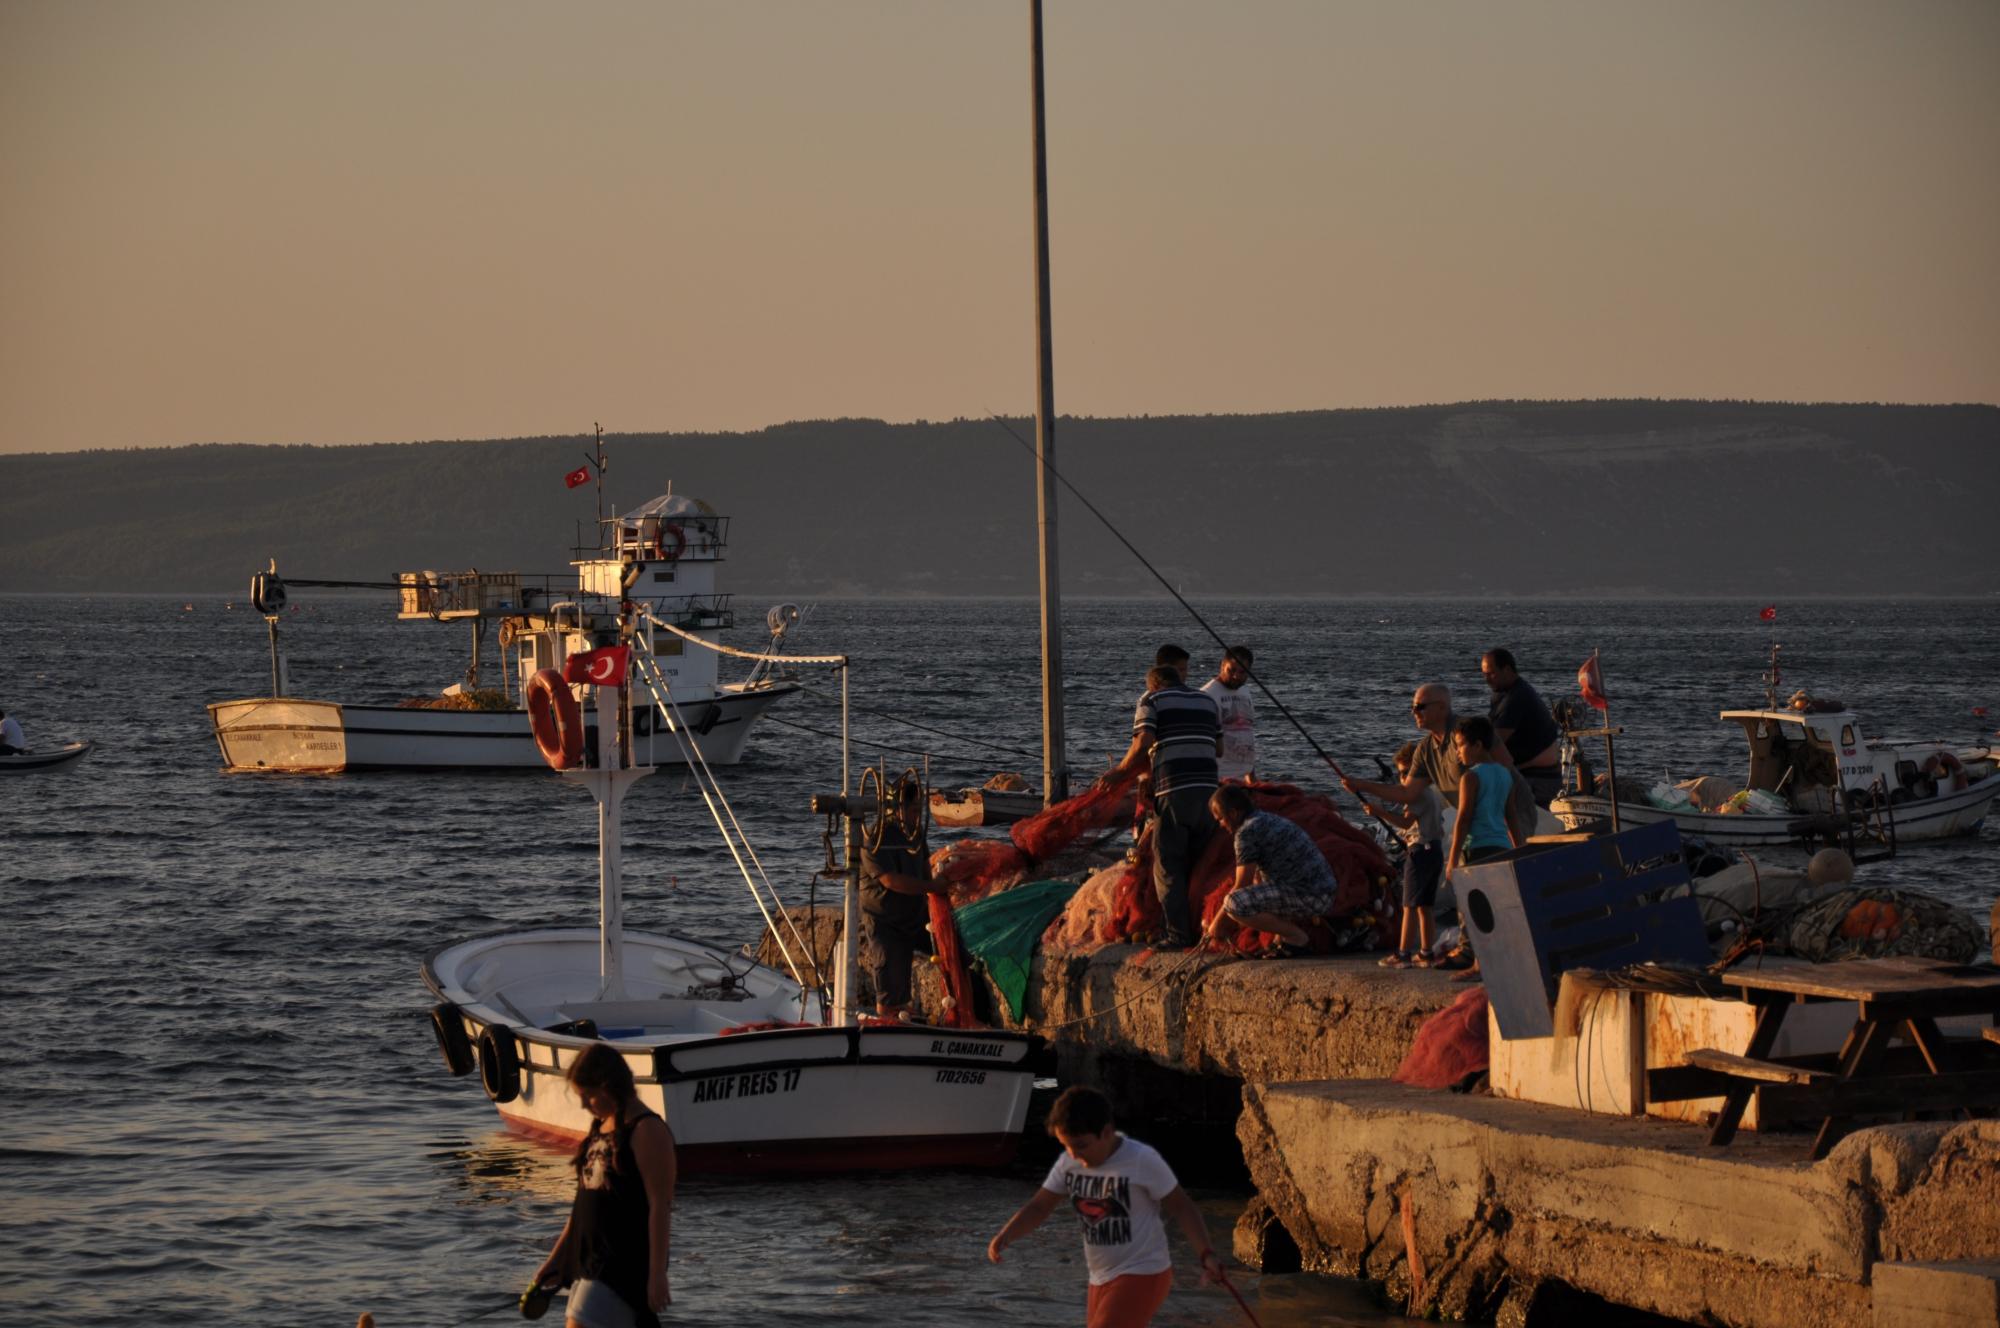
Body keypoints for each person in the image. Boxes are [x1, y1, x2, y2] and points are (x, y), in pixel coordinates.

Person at [988, 1086, 1222, 1327]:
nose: (1074, 1154)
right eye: (1066, 1146)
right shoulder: (1069, 1163)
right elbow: (1040, 1206)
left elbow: (1181, 1206)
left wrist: (1206, 1254)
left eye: (1081, 1145)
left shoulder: (1141, 1159)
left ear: (1107, 1132)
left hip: (1143, 1272)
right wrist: (1007, 1234)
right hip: (1100, 1279)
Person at [533, 1043, 676, 1328]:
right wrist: (556, 1261)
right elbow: (582, 1207)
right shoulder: (600, 1127)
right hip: (588, 1265)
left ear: (608, 1086)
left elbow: (660, 1206)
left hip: (621, 1266)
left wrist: (657, 1273)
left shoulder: (647, 1130)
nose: (585, 1106)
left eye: (588, 1097)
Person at [1101, 665, 1222, 949]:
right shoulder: (1207, 701)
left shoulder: (1151, 701)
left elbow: (1144, 740)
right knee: (1199, 863)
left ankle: (1178, 935)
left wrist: (1120, 772)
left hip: (1174, 792)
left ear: (1154, 685)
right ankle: (1200, 925)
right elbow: (1219, 749)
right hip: (1209, 792)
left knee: (1167, 865)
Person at [1205, 785, 1334, 954]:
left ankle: (1297, 938)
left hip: (1312, 895)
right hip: (1323, 891)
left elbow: (1241, 884)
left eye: (1220, 819)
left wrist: (1216, 925)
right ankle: (1281, 940)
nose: (1221, 825)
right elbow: (1258, 880)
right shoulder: (1265, 818)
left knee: (1233, 903)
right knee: (1258, 890)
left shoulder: (1246, 832)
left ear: (1234, 813)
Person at [859, 776, 948, 1019]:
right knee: (889, 981)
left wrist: (938, 891)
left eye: (919, 810)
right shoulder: (875, 838)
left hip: (913, 916)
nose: (917, 816)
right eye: (912, 810)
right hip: (885, 920)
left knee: (950, 949)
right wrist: (931, 886)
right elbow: (891, 880)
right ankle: (890, 1020)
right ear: (896, 809)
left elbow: (924, 868)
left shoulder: (916, 834)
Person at [1360, 741, 1448, 968]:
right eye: (1401, 774)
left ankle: (1403, 953)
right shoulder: (1432, 795)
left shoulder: (1418, 797)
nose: (1403, 779)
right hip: (1434, 850)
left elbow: (1404, 822)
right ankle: (1426, 952)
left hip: (1419, 852)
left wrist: (1377, 811)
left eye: (1407, 773)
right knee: (1425, 906)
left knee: (1408, 905)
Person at [1481, 648, 1563, 807]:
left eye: (1491, 674)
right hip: (1524, 774)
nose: (1487, 680)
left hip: (1536, 781)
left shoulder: (1517, 697)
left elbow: (1494, 742)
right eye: (1484, 674)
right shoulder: (1501, 692)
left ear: (1507, 670)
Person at [1446, 716, 1525, 874]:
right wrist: (1521, 851)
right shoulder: (1506, 775)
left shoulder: (1470, 777)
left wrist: (1452, 859)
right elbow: (1511, 817)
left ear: (1477, 745)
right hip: (1503, 848)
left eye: (1461, 745)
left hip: (1477, 850)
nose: (1457, 751)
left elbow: (1464, 819)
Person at [1200, 646, 1256, 783]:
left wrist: (1252, 778)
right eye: (1231, 670)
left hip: (1244, 776)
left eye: (1242, 672)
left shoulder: (1245, 692)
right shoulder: (1207, 695)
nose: (1236, 676)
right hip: (1218, 777)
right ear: (1222, 665)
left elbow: (1247, 732)